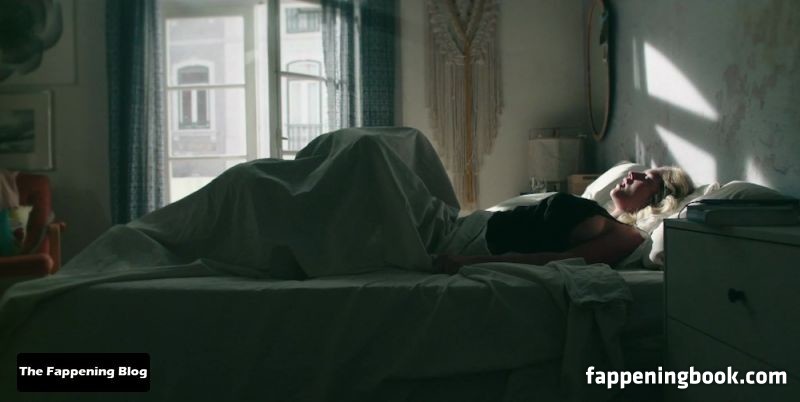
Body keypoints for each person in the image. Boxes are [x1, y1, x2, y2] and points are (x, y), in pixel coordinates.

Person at [434, 167, 694, 274]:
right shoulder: (604, 215)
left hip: (474, 242)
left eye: (646, 179)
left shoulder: (629, 236)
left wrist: (469, 263)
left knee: (412, 143)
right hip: (466, 225)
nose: (633, 174)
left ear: (659, 199)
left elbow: (557, 261)